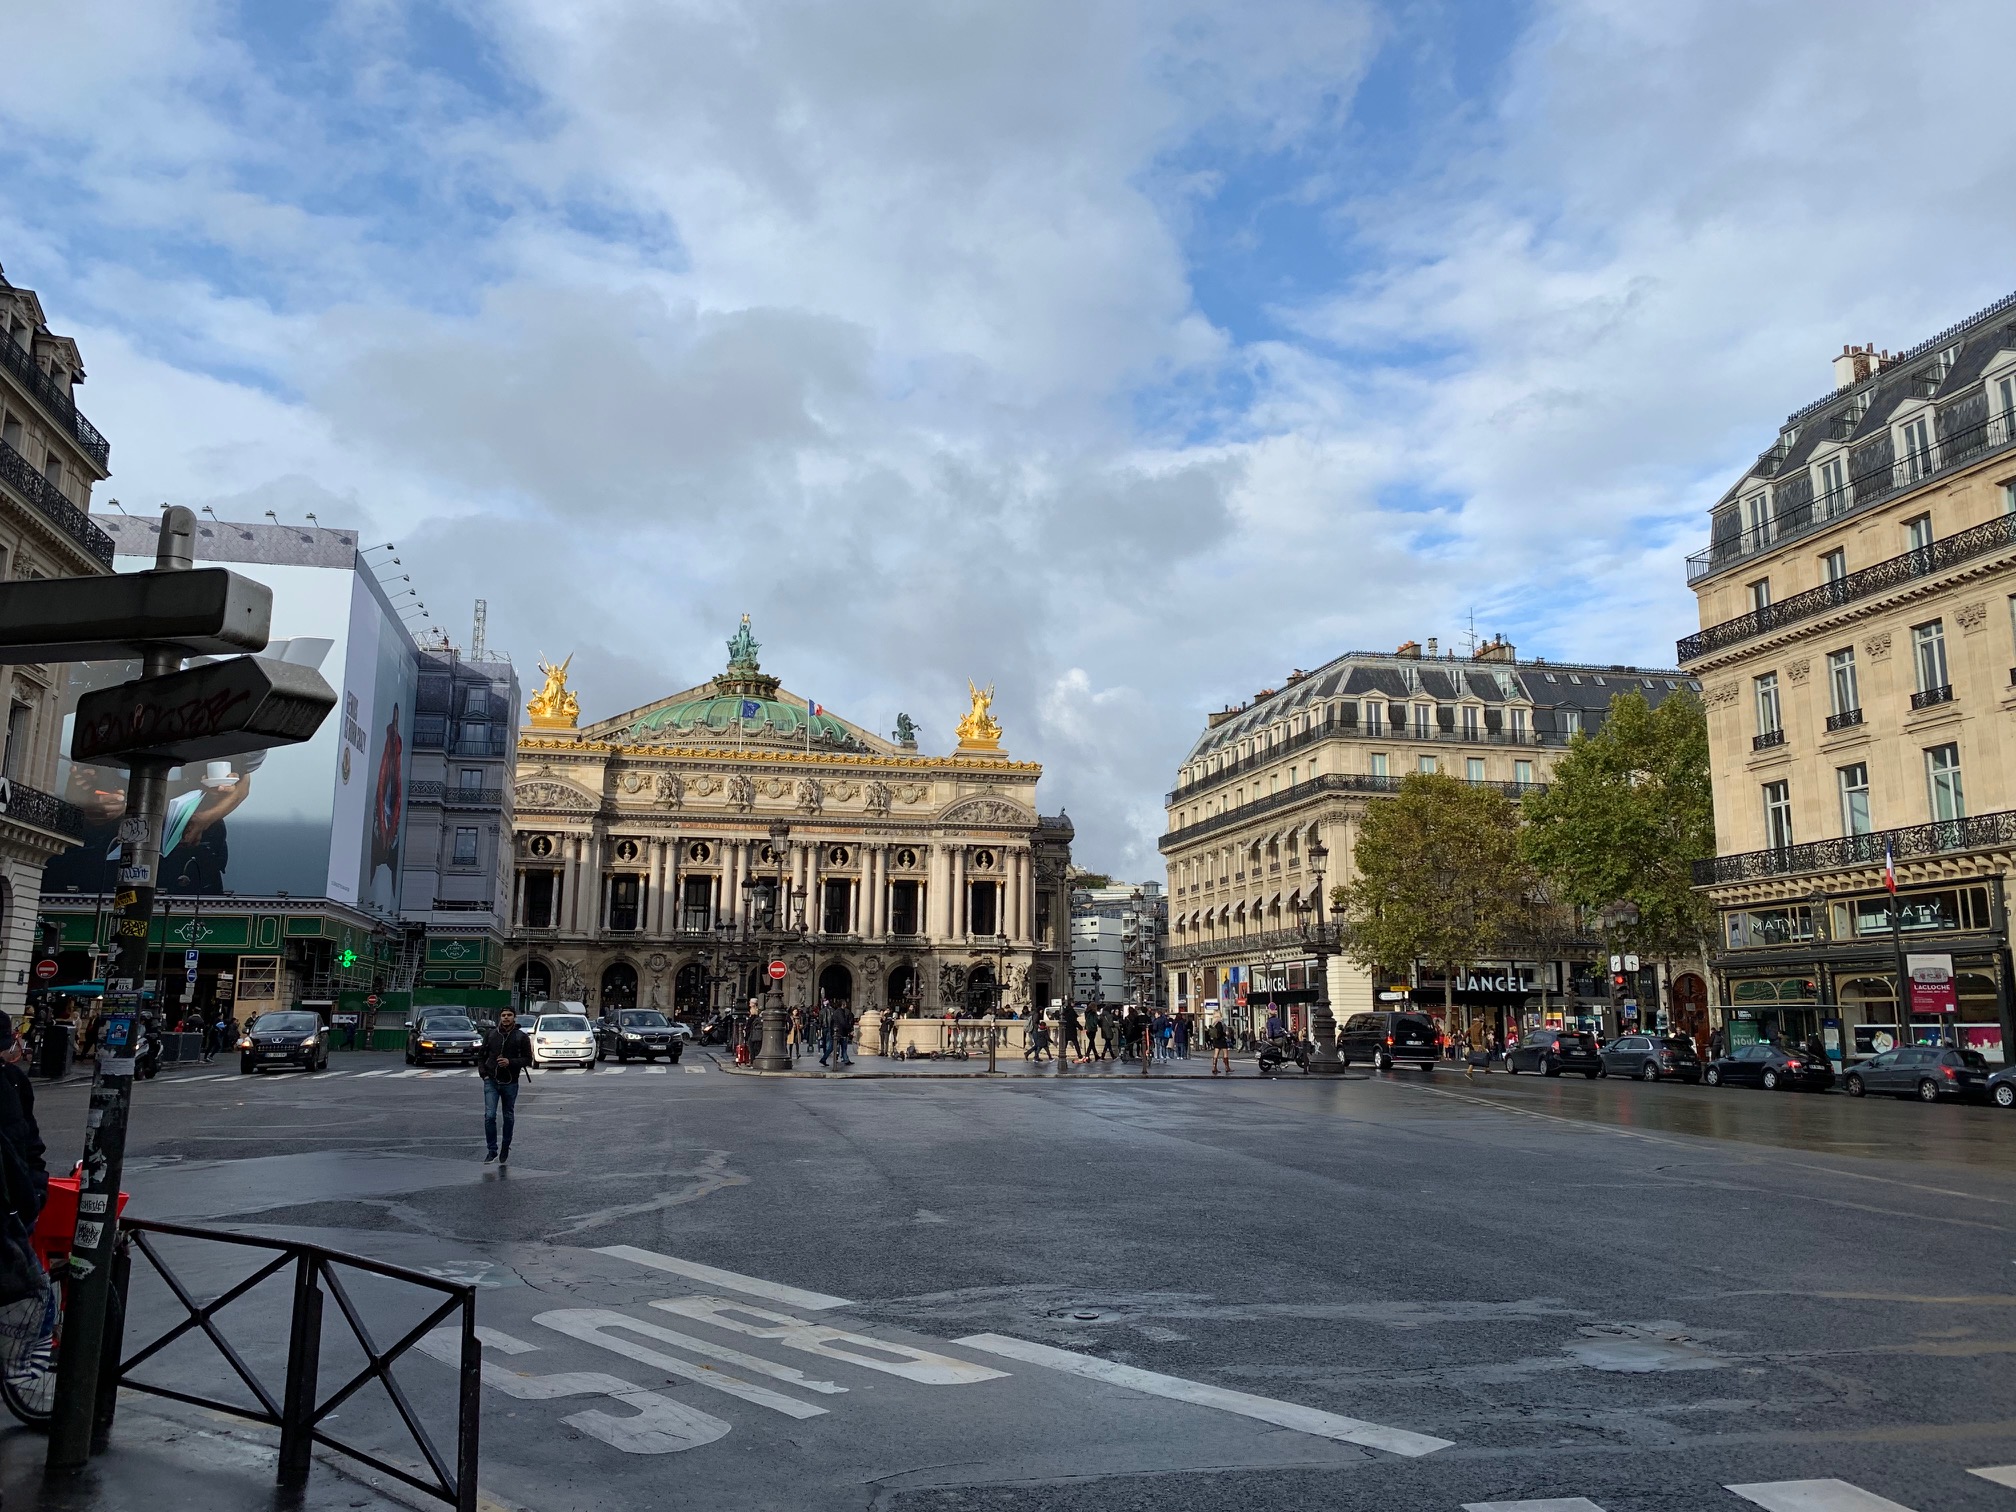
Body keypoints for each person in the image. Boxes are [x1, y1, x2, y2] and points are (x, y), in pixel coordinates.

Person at [477, 1006, 534, 1164]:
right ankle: (491, 1150)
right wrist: (484, 1074)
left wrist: (510, 1062)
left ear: (514, 1018)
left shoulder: (521, 1037)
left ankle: (505, 1146)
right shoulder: (491, 1034)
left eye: (509, 1015)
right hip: (491, 1080)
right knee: (490, 1116)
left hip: (510, 1082)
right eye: (503, 1015)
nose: (506, 1018)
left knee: (508, 1116)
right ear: (500, 1017)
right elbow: (481, 1056)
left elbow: (528, 1059)